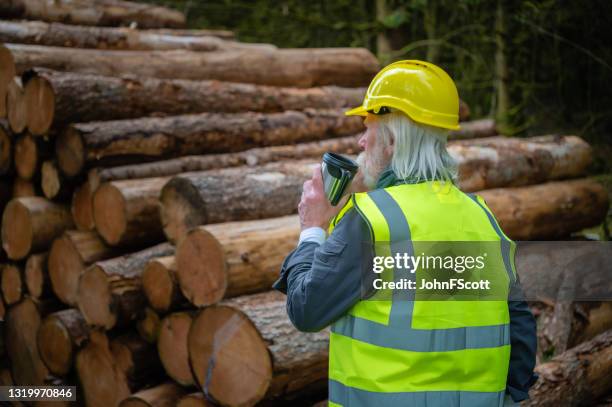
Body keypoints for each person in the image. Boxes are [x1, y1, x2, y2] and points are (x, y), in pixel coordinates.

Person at [273, 60, 537, 407]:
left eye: (368, 127)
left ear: (393, 140)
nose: (361, 140)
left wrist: (312, 229)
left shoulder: (371, 220)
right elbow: (519, 332)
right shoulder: (482, 217)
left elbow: (306, 309)